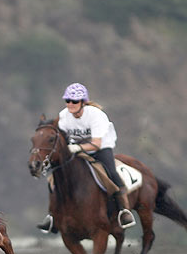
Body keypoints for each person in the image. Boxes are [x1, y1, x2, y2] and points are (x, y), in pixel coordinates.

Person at [37, 82, 136, 232]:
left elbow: (96, 143)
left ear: (83, 102)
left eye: (74, 101)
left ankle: (124, 210)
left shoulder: (96, 115)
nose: (70, 104)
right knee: (55, 175)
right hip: (75, 149)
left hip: (101, 148)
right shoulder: (64, 115)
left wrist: (77, 147)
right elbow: (60, 138)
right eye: (67, 101)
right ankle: (52, 216)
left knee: (110, 172)